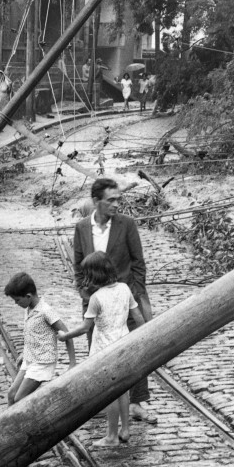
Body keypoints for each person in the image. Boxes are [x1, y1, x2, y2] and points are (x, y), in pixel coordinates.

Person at [72, 177, 157, 422]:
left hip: (125, 297)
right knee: (97, 349)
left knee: (135, 348)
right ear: (96, 202)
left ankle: (137, 402)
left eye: (118, 199)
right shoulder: (81, 228)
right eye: (111, 200)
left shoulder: (127, 224)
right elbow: (78, 264)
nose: (116, 204)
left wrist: (136, 293)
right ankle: (101, 399)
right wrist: (84, 293)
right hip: (95, 301)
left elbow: (138, 262)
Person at [61, 252, 146, 446]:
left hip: (104, 351)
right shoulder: (125, 288)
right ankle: (125, 430)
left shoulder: (96, 298)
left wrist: (65, 336)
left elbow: (85, 328)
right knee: (123, 390)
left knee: (109, 394)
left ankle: (111, 436)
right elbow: (139, 318)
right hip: (124, 344)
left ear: (93, 275)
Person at [4, 272, 76, 405]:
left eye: (17, 300)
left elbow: (67, 335)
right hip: (30, 359)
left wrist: (72, 363)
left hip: (42, 363)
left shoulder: (45, 311)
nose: (15, 303)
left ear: (28, 296)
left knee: (20, 399)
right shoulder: (29, 308)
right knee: (11, 395)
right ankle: (7, 425)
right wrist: (24, 352)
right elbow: (32, 334)